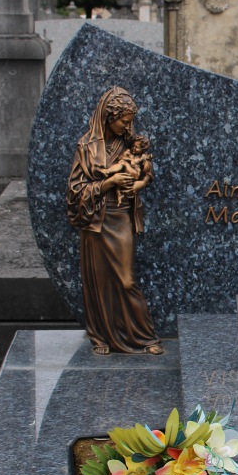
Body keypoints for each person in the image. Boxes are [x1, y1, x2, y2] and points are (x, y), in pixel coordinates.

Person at [66, 87, 163, 356]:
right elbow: (75, 191)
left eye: (131, 120)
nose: (128, 126)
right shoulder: (86, 146)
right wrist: (110, 182)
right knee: (99, 281)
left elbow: (147, 172)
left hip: (121, 218)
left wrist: (137, 185)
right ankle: (101, 336)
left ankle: (144, 336)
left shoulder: (131, 144)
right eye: (124, 121)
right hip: (96, 220)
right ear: (109, 118)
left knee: (126, 279)